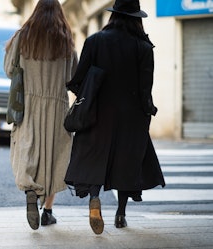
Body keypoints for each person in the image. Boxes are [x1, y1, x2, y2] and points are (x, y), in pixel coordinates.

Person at [64, 0, 165, 235]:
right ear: (136, 18)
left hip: (98, 113)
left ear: (113, 15)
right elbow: (145, 89)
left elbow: (78, 80)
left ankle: (95, 199)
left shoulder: (94, 41)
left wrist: (90, 96)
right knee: (126, 165)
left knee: (95, 159)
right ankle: (121, 215)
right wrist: (148, 110)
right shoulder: (143, 47)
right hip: (131, 117)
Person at [4, 0, 77, 230]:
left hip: (27, 103)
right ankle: (47, 210)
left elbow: (9, 69)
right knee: (54, 156)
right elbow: (72, 77)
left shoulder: (22, 37)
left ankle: (30, 192)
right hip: (57, 106)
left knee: (27, 148)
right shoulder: (65, 40)